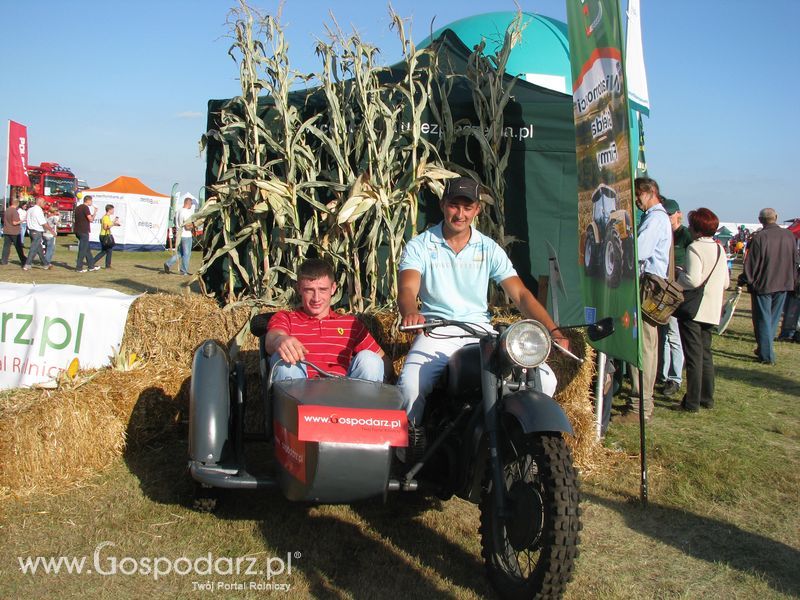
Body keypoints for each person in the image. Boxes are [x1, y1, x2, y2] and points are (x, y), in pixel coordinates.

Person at [396, 176, 568, 426]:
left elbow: (521, 295)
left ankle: (522, 444)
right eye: (455, 205)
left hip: (481, 331)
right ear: (443, 204)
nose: (460, 214)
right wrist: (411, 311)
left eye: (468, 207)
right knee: (410, 386)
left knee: (546, 379)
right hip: (436, 332)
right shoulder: (420, 246)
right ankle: (411, 444)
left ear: (477, 209)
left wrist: (552, 330)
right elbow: (407, 289)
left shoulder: (489, 248)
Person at [265, 258, 386, 381]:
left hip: (344, 394)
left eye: (322, 290)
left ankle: (364, 400)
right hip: (300, 391)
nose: (316, 298)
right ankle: (299, 401)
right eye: (309, 290)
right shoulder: (286, 318)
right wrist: (280, 340)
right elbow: (272, 339)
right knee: (284, 358)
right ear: (299, 289)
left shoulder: (350, 324)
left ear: (333, 288)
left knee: (371, 359)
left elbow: (382, 362)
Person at [619, 177, 672, 423]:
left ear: (649, 192)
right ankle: (640, 404)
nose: (637, 200)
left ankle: (640, 407)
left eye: (638, 195)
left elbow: (639, 251)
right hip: (648, 285)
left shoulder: (654, 219)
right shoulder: (657, 218)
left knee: (643, 348)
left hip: (646, 287)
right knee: (645, 346)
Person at [674, 208, 730, 411]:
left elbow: (693, 280)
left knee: (693, 357)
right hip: (712, 308)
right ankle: (707, 397)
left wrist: (679, 275)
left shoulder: (694, 248)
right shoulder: (719, 249)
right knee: (706, 355)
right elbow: (725, 282)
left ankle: (692, 402)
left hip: (694, 309)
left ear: (696, 229)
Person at [738, 208, 798, 365]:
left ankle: (767, 355)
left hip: (764, 283)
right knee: (772, 319)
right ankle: (764, 348)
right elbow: (795, 260)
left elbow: (751, 263)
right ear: (776, 217)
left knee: (763, 320)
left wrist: (745, 279)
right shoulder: (789, 236)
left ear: (760, 220)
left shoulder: (760, 237)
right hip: (784, 282)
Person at [658, 198, 693, 398]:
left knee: (673, 335)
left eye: (670, 215)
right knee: (662, 334)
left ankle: (675, 378)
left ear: (678, 214)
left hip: (676, 292)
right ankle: (661, 374)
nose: (668, 218)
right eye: (666, 215)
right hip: (660, 289)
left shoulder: (685, 236)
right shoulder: (663, 231)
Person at [23, 196, 56, 271]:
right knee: (33, 248)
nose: (45, 204)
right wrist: (52, 231)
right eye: (44, 202)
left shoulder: (30, 210)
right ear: (39, 202)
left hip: (31, 231)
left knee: (39, 249)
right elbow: (43, 223)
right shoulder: (38, 210)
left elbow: (26, 219)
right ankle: (27, 264)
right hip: (37, 231)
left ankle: (46, 264)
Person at [164, 197, 195, 275]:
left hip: (179, 235)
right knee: (186, 254)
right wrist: (194, 225)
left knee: (180, 253)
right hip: (186, 235)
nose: (191, 205)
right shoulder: (186, 212)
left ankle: (168, 263)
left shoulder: (178, 211)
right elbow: (187, 227)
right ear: (188, 203)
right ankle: (183, 271)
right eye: (191, 204)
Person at [74, 195, 99, 272]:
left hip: (77, 230)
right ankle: (79, 268)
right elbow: (90, 219)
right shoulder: (85, 208)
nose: (91, 202)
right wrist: (95, 212)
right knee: (82, 250)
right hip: (83, 231)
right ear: (87, 200)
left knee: (87, 249)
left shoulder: (78, 208)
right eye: (91, 201)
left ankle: (91, 266)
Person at [93, 204, 120, 269]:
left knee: (107, 251)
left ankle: (106, 265)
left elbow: (109, 224)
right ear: (109, 210)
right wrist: (113, 224)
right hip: (104, 236)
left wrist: (114, 223)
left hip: (104, 235)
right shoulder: (105, 217)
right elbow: (105, 227)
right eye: (112, 209)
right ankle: (105, 265)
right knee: (106, 251)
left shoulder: (107, 217)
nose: (113, 211)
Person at [1, 196, 27, 265]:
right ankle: (23, 260)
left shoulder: (7, 210)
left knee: (6, 247)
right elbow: (14, 222)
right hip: (14, 232)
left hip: (6, 231)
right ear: (17, 204)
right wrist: (22, 220)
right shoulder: (14, 211)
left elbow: (4, 220)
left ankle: (4, 260)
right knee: (18, 247)